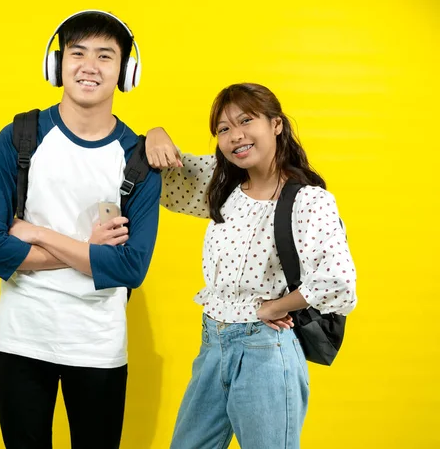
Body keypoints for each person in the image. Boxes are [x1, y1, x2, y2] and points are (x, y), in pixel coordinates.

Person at [0, 10, 161, 449]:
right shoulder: (20, 136)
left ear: (126, 72)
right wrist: (90, 252)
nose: (89, 66)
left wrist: (37, 233)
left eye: (105, 56)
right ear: (57, 65)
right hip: (21, 337)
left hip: (98, 344)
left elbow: (130, 268)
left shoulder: (138, 158)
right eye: (77, 53)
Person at [145, 83, 357, 449]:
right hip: (212, 344)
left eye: (246, 121)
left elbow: (338, 281)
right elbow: (164, 174)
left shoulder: (308, 200)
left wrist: (274, 307)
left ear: (276, 124)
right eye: (224, 129)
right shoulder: (222, 185)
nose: (235, 136)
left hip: (266, 351)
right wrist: (154, 133)